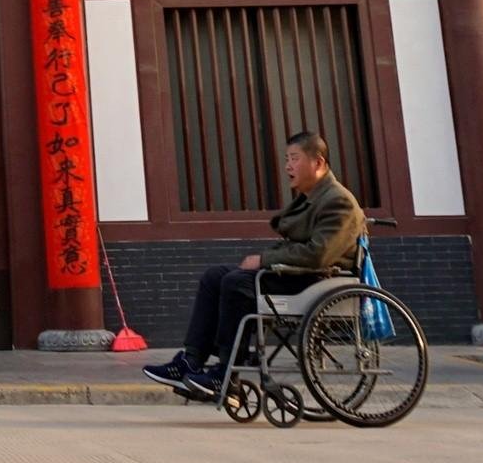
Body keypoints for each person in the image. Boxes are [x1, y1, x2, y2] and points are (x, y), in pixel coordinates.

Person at [141, 129, 363, 395]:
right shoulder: (313, 198)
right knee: (215, 276)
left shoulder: (338, 201)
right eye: (286, 159)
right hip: (297, 274)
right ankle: (191, 359)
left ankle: (227, 372)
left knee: (238, 283)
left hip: (316, 279)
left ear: (318, 163)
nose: (287, 166)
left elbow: (318, 254)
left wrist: (264, 260)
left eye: (294, 159)